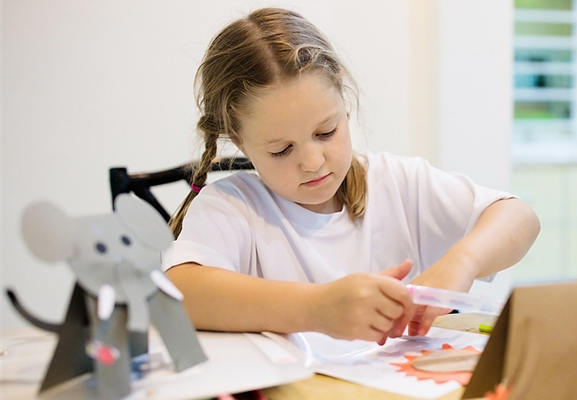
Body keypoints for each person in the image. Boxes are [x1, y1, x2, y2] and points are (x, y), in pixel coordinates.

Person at [162, 7, 540, 344]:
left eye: (326, 132)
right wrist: (317, 309)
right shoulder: (234, 208)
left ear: (344, 104)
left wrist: (462, 261)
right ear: (240, 141)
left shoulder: (397, 184)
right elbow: (179, 294)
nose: (313, 162)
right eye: (282, 149)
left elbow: (519, 217)